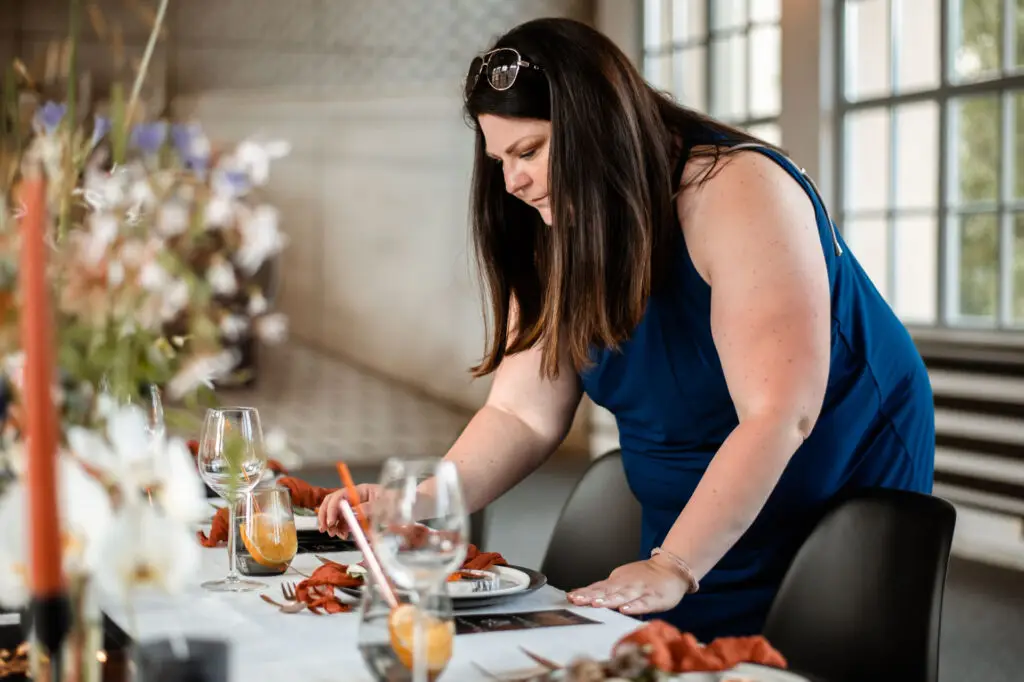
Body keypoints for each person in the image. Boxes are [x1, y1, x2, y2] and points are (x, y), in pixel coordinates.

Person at [318, 17, 936, 642]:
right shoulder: (560, 225)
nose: (512, 182)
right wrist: (418, 502)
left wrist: (675, 562)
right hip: (691, 504)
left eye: (529, 151)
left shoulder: (734, 188)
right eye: (500, 160)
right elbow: (521, 415)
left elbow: (779, 414)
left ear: (598, 126)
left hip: (828, 485)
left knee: (803, 655)